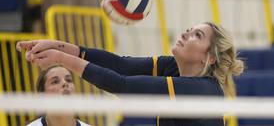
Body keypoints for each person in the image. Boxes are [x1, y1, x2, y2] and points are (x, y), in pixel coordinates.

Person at [18, 22, 244, 126]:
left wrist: (60, 59)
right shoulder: (174, 67)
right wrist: (60, 46)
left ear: (209, 58)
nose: (186, 33)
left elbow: (122, 85)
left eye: (197, 35)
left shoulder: (202, 90)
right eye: (189, 29)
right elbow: (120, 65)